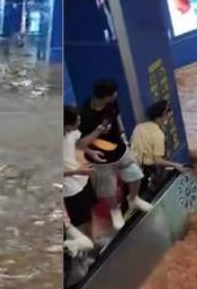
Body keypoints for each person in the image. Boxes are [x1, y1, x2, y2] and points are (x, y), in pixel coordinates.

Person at [79, 79, 152, 231]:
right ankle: (115, 211)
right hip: (101, 160)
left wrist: (123, 137)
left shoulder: (112, 104)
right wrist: (98, 133)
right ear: (106, 96)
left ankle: (133, 199)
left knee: (137, 176)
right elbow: (80, 144)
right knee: (109, 191)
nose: (117, 95)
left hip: (120, 151)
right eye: (114, 93)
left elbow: (117, 121)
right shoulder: (85, 114)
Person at [63, 105, 108, 236]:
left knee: (89, 213)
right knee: (79, 222)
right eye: (76, 122)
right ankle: (81, 250)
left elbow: (77, 144)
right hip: (69, 188)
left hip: (82, 179)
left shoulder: (72, 132)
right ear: (66, 125)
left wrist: (91, 152)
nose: (79, 123)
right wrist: (76, 172)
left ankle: (92, 241)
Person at [131, 100, 187, 174]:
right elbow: (158, 161)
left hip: (132, 167)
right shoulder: (158, 135)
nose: (168, 119)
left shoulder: (138, 127)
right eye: (168, 117)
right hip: (146, 171)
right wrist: (175, 165)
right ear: (163, 115)